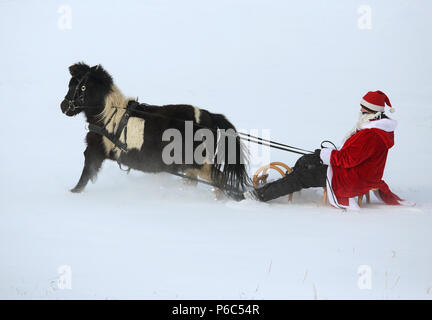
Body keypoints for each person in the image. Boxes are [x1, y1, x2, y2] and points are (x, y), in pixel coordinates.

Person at [244, 90, 413, 210]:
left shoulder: (371, 135)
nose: (361, 110)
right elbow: (353, 154)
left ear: (374, 113)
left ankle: (260, 196)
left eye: (364, 109)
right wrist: (323, 155)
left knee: (302, 175)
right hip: (354, 172)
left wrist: (327, 155)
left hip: (350, 177)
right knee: (306, 160)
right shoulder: (375, 129)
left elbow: (348, 159)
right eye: (361, 107)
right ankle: (278, 186)